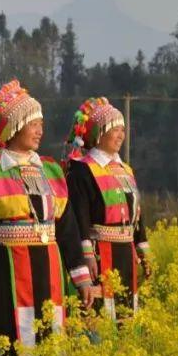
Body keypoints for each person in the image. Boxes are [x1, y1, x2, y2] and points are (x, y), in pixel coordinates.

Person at [0, 80, 96, 356]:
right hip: (6, 272)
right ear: (13, 127)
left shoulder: (50, 171)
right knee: (7, 340)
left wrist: (81, 278)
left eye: (41, 124)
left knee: (50, 331)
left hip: (48, 270)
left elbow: (68, 229)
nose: (40, 130)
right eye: (33, 124)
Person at [63, 97, 150, 321]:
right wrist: (87, 255)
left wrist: (143, 250)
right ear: (99, 133)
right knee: (99, 315)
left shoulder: (125, 170)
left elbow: (137, 215)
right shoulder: (82, 170)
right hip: (99, 253)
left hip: (126, 253)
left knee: (126, 312)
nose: (121, 135)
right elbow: (79, 218)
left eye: (123, 130)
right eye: (115, 130)